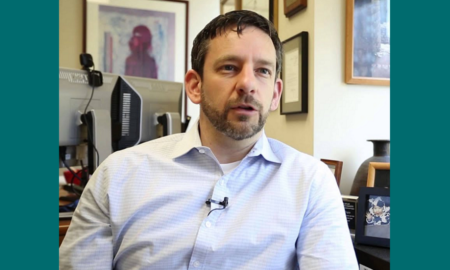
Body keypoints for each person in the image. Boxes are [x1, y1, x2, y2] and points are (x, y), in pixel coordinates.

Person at [59, 10, 358, 269]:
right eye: (229, 67)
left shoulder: (311, 182)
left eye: (262, 71)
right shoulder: (118, 175)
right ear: (195, 85)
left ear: (276, 94)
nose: (247, 84)